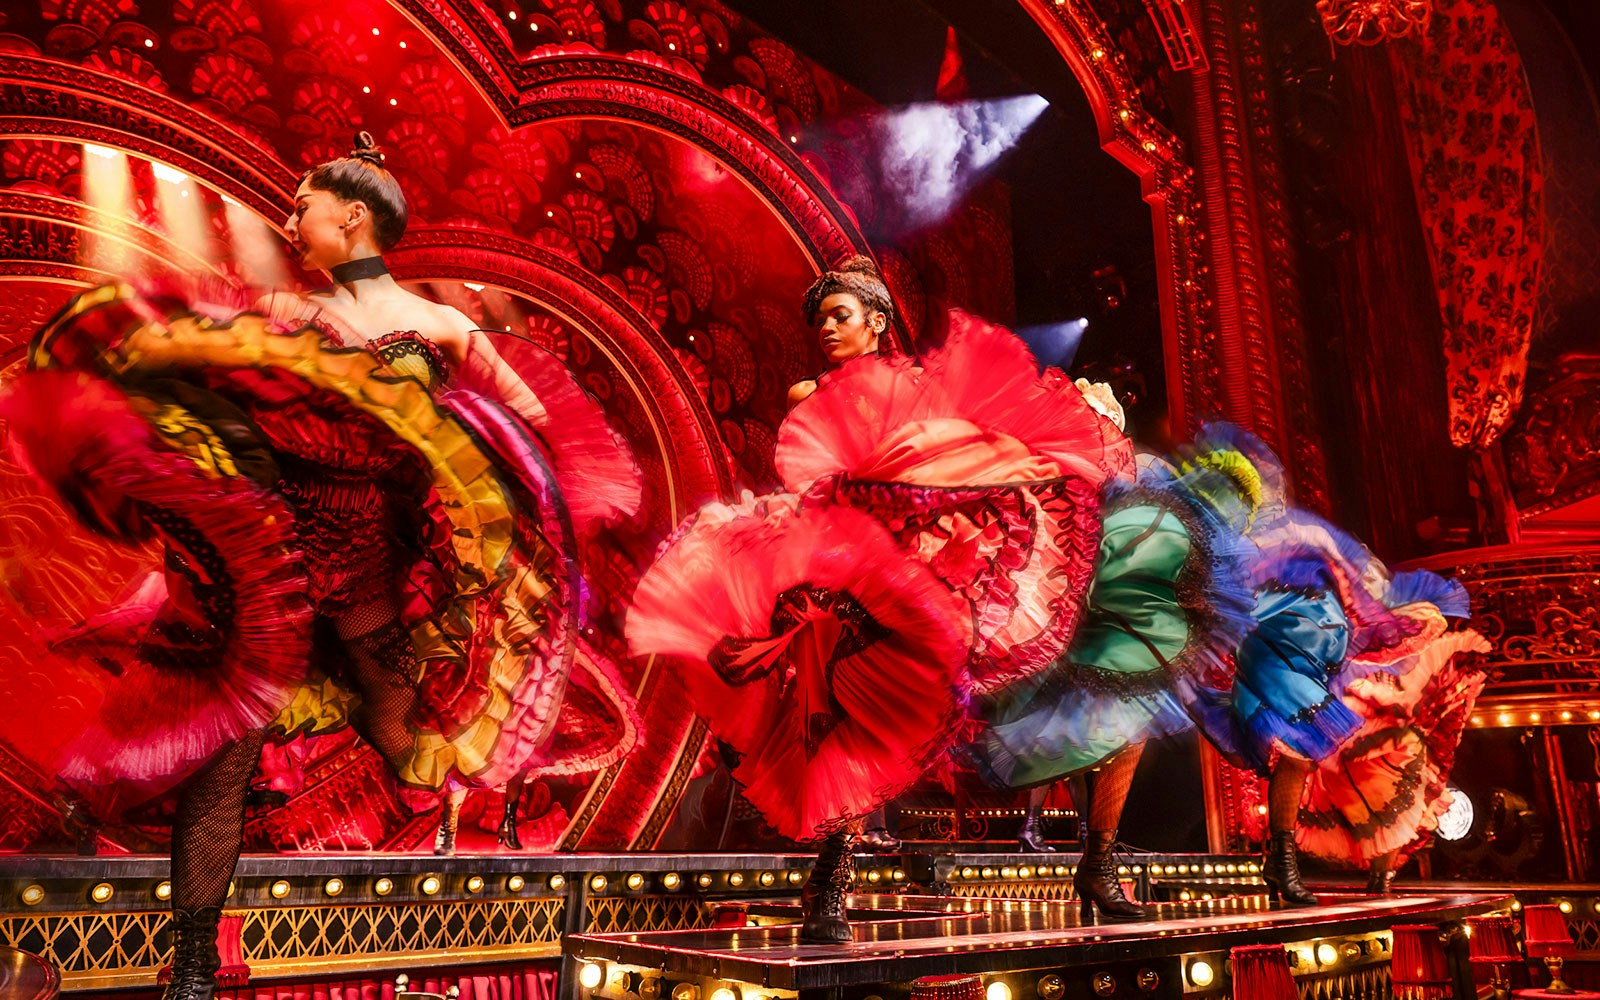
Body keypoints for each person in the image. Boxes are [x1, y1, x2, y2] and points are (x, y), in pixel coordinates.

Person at [2, 132, 638, 1000]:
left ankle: (452, 873)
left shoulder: (444, 325)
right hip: (271, 555)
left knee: (401, 730)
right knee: (226, 756)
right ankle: (194, 964)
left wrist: (479, 476)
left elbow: (535, 422)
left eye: (303, 207)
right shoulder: (277, 314)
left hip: (371, 553)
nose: (290, 223)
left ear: (354, 214)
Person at [1178, 427, 1486, 903]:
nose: (1269, 491)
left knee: (1315, 756)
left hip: (1317, 658)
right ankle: (1282, 860)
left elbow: (1358, 580)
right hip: (1276, 656)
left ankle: (1297, 862)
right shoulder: (1239, 547)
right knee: (1299, 747)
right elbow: (1230, 602)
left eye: (1268, 483)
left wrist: (1381, 610)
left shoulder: (1306, 533)